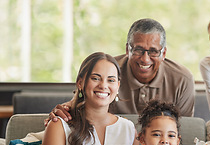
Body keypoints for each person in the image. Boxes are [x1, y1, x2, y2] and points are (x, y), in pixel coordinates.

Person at [47, 18, 194, 125]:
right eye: (138, 50)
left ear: (164, 53)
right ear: (127, 50)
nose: (145, 59)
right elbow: (80, 104)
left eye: (153, 51)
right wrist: (65, 110)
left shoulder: (182, 79)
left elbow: (185, 128)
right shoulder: (107, 70)